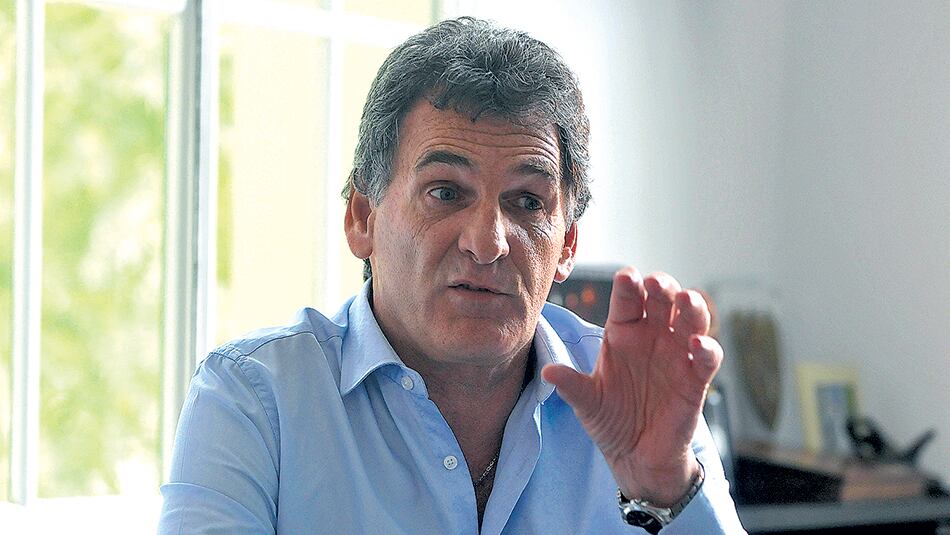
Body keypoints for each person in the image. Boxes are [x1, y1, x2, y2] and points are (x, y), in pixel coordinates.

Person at [158, 17, 746, 534]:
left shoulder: (636, 398)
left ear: (566, 244)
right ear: (362, 218)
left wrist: (666, 489)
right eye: (445, 192)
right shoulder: (255, 401)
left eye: (527, 202)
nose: (488, 243)